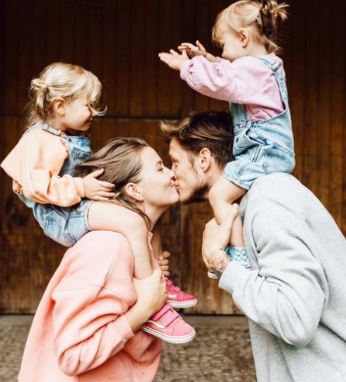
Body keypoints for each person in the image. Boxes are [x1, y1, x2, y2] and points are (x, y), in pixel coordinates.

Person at [0, 62, 196, 342]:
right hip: (65, 217)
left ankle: (157, 280)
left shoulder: (67, 137)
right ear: (60, 105)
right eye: (89, 106)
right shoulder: (37, 140)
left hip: (79, 207)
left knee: (145, 217)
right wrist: (82, 186)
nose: (94, 113)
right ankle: (151, 305)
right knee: (132, 221)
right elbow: (35, 188)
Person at [161, 110, 346, 381]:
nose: (172, 173)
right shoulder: (250, 205)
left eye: (175, 162)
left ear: (203, 159)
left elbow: (295, 321)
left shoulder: (270, 200)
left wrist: (222, 263)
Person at [18, 137, 196, 382]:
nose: (171, 174)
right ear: (134, 190)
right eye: (159, 167)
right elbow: (72, 355)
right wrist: (144, 310)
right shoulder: (108, 248)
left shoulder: (139, 246)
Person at [159, 0, 295, 276]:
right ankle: (239, 247)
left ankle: (239, 254)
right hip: (264, 151)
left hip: (264, 151)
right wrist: (206, 59)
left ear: (243, 38)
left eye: (224, 46)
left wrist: (187, 68)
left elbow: (221, 81)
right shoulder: (261, 68)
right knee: (227, 197)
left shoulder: (255, 71)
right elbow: (230, 73)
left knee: (220, 193)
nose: (223, 53)